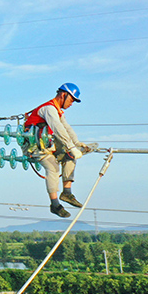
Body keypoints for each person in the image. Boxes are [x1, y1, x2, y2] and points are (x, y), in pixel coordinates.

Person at [23, 83, 90, 218]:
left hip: (46, 144)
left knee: (70, 155)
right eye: (71, 100)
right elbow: (58, 129)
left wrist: (76, 144)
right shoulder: (49, 109)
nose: (71, 104)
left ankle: (67, 193)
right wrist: (71, 146)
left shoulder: (58, 111)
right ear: (63, 95)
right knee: (53, 167)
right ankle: (55, 205)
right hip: (33, 146)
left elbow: (67, 128)